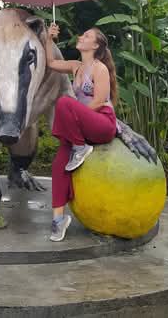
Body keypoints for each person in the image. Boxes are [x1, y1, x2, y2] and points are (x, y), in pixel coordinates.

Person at [44, 23, 118, 242]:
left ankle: (79, 147)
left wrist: (76, 116)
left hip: (102, 123)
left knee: (65, 102)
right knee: (59, 165)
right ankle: (58, 220)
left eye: (86, 36)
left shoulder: (99, 68)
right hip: (82, 127)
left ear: (95, 45)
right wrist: (49, 38)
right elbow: (50, 63)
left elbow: (99, 101)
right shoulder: (76, 66)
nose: (81, 37)